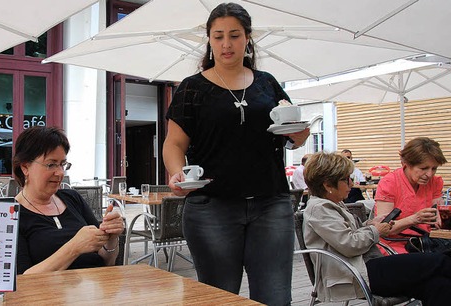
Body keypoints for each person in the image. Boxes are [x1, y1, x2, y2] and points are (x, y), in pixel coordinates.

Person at [162, 3, 309, 304]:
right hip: (212, 207)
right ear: (209, 40)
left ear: (248, 38)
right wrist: (176, 171)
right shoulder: (192, 88)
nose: (226, 44)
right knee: (219, 298)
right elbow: (174, 143)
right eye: (218, 37)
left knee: (275, 297)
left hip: (271, 203)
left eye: (234, 35)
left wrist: (300, 135)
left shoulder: (267, 83)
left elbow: (293, 132)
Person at [303, 151, 451, 305]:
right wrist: (377, 230)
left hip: (364, 267)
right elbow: (349, 244)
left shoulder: (333, 203)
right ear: (327, 185)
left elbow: (348, 235)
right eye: (347, 179)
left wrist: (371, 224)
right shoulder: (320, 209)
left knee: (439, 285)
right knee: (440, 261)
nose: (352, 184)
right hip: (353, 274)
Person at [14, 126, 124, 274]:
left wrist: (111, 237)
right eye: (51, 164)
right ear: (25, 167)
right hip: (48, 296)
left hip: (94, 291)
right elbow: (21, 280)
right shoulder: (11, 214)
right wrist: (74, 247)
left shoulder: (72, 198)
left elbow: (107, 263)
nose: (60, 172)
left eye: (62, 164)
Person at [375, 137, 447, 254]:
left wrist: (441, 219)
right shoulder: (389, 183)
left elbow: (438, 218)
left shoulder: (435, 182)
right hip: (394, 244)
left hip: (425, 242)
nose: (429, 174)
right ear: (406, 164)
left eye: (434, 168)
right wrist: (414, 219)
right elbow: (383, 229)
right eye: (423, 168)